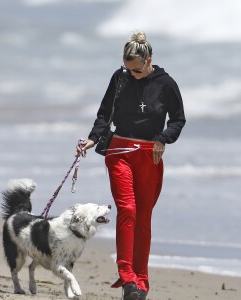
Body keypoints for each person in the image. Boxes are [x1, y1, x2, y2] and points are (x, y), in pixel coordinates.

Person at [77, 31, 186, 300]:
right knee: (127, 209)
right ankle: (127, 278)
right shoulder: (120, 78)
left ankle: (142, 281)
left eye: (137, 70)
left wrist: (163, 139)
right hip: (120, 151)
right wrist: (92, 139)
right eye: (128, 69)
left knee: (143, 218)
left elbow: (178, 120)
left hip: (150, 155)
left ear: (149, 60)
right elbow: (105, 113)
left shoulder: (166, 83)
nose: (132, 74)